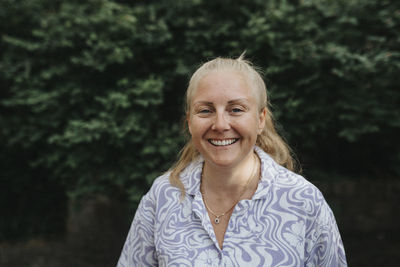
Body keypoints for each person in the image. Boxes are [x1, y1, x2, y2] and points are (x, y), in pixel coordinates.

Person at [117, 55, 347, 266]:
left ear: (260, 119)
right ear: (189, 121)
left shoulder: (303, 200)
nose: (220, 125)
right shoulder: (163, 196)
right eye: (205, 111)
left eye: (236, 109)